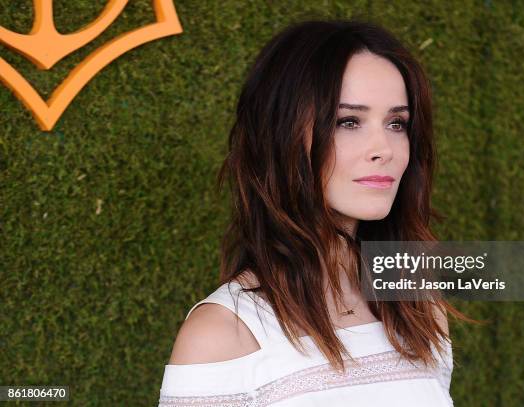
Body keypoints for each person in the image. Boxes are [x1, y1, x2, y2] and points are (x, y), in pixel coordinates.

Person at [158, 19, 472, 406]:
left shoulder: (419, 308)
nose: (384, 148)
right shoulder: (224, 335)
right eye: (348, 121)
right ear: (283, 135)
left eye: (396, 122)